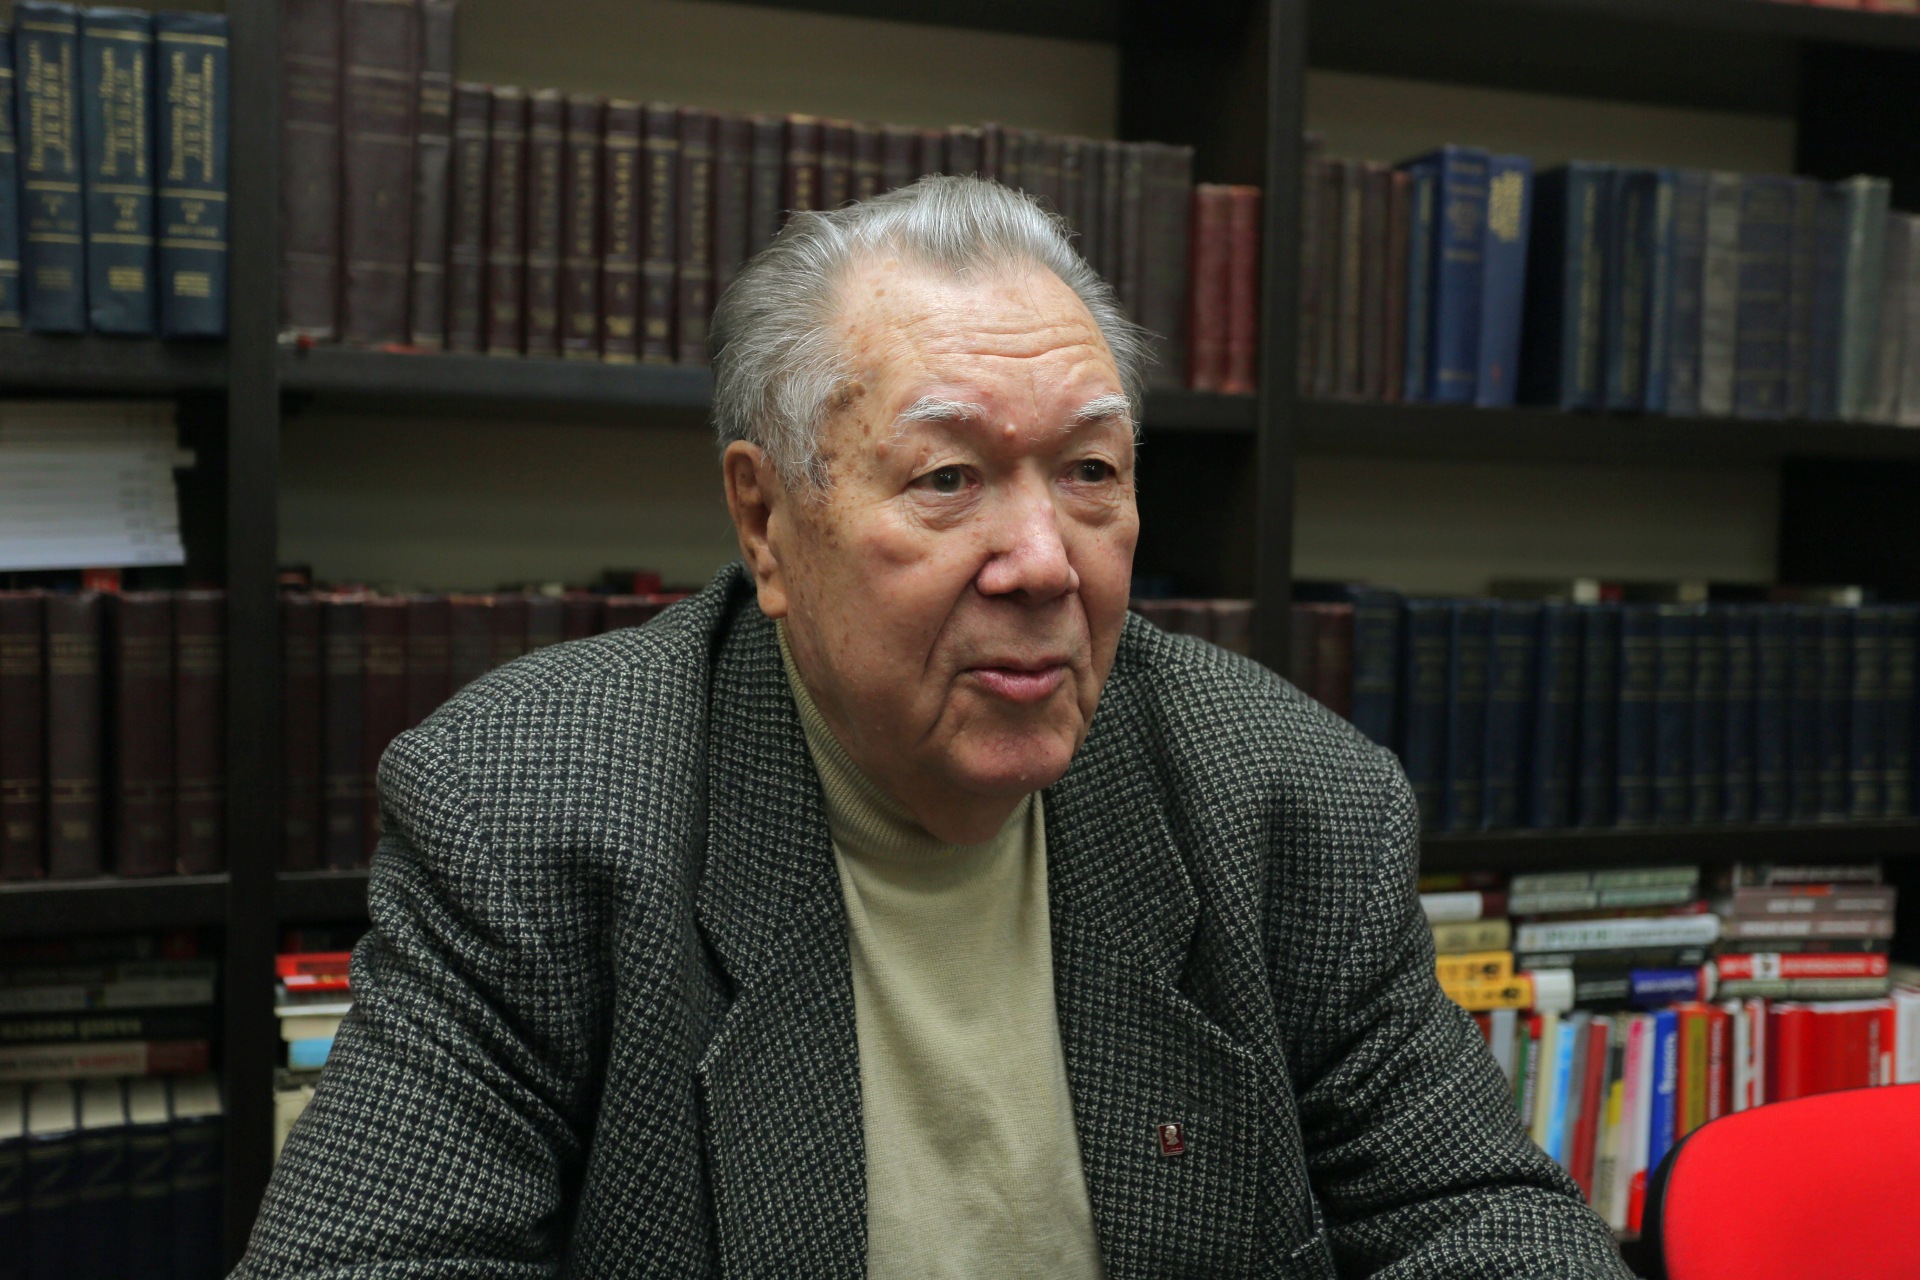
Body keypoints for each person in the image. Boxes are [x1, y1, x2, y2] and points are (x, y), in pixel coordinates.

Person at [236, 177, 1631, 1279]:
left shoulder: (1287, 801)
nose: (1044, 561)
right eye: (950, 477)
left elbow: (1483, 1223)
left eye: (1090, 472)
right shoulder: (537, 809)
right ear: (766, 522)